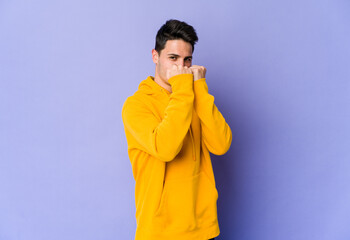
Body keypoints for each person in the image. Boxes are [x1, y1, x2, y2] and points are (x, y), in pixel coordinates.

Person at [121, 19, 232, 240]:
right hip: (160, 232)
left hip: (203, 228)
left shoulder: (194, 96)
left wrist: (199, 89)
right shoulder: (136, 105)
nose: (180, 67)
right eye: (173, 58)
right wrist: (184, 87)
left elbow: (221, 145)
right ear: (155, 56)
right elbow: (166, 148)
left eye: (187, 60)